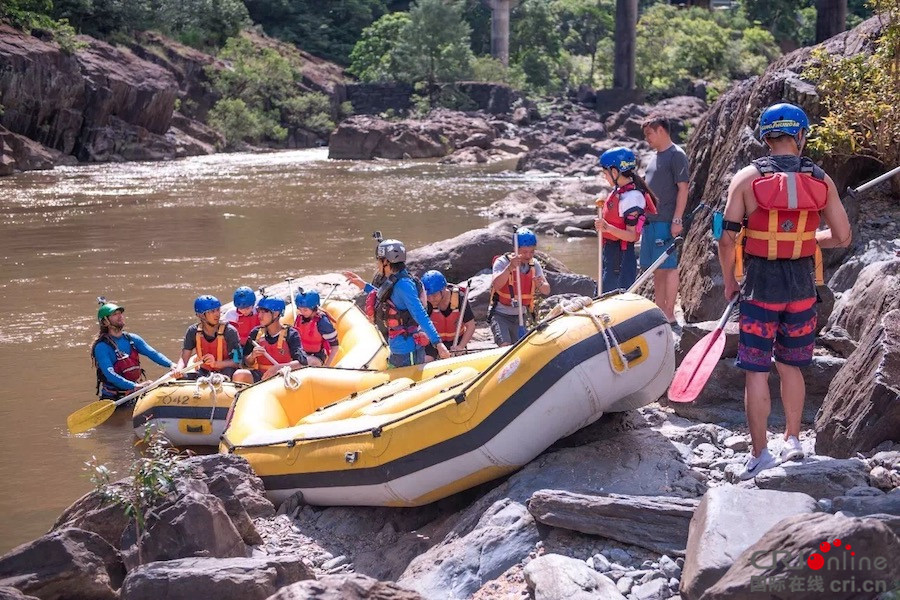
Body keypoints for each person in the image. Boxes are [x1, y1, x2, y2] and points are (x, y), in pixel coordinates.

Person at [717, 103, 851, 480]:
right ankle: (793, 440)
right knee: (791, 364)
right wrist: (806, 237)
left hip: (760, 288)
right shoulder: (821, 179)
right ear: (801, 135)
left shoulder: (746, 178)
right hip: (803, 288)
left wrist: (729, 281)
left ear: (766, 137)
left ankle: (760, 454)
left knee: (756, 370)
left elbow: (726, 240)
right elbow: (842, 237)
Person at [641, 116, 691, 324]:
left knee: (668, 267)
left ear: (661, 130)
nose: (647, 139)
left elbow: (683, 188)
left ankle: (669, 314)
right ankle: (660, 312)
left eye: (649, 134)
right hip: (650, 222)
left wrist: (677, 220)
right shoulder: (654, 157)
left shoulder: (676, 155)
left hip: (666, 221)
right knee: (656, 269)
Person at [372, 239, 451, 367]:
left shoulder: (404, 285)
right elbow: (382, 296)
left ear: (386, 261)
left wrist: (438, 343)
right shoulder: (394, 280)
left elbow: (420, 314)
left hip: (407, 352)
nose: (377, 264)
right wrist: (363, 286)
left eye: (379, 260)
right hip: (398, 347)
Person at [594, 147, 658, 293]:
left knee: (613, 295)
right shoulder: (620, 192)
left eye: (605, 173)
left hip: (620, 257)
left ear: (615, 172)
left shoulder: (632, 198)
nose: (604, 177)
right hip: (611, 253)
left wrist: (607, 228)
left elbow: (632, 236)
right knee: (602, 292)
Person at [91, 301, 177, 400]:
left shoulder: (132, 339)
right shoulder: (102, 347)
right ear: (105, 322)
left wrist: (171, 365)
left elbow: (153, 354)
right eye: (115, 314)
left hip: (135, 392)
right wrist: (135, 386)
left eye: (120, 313)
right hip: (114, 397)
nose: (120, 316)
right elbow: (110, 375)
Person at [489, 227, 551, 346]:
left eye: (532, 251)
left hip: (521, 316)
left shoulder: (534, 264)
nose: (528, 256)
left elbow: (547, 290)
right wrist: (510, 268)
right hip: (500, 315)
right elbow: (496, 285)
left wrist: (541, 284)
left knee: (521, 348)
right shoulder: (502, 262)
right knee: (505, 346)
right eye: (524, 252)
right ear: (515, 249)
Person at [178, 295, 244, 381]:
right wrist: (179, 369)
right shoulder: (192, 331)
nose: (217, 314)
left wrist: (216, 364)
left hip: (226, 372)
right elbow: (184, 358)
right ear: (200, 315)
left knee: (227, 372)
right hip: (203, 372)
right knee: (182, 378)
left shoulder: (230, 331)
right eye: (212, 311)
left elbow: (237, 361)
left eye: (218, 310)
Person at [243, 296, 308, 382]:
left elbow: (302, 363)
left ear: (276, 314)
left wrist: (279, 367)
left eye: (264, 312)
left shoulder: (291, 334)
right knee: (240, 374)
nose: (259, 316)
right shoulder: (255, 333)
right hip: (262, 377)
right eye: (259, 312)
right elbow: (245, 363)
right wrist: (252, 356)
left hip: (281, 377)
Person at [421, 270, 476, 360]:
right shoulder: (427, 302)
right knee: (426, 359)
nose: (430, 299)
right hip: (434, 342)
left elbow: (471, 325)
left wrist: (461, 346)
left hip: (456, 341)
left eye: (434, 295)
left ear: (443, 290)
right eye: (428, 295)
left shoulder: (460, 298)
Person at [293, 290, 339, 367]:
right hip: (301, 354)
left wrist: (326, 366)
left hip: (316, 357)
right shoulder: (300, 318)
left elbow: (335, 347)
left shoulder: (323, 322)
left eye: (305, 310)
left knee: (305, 361)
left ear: (314, 308)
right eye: (300, 309)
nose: (302, 312)